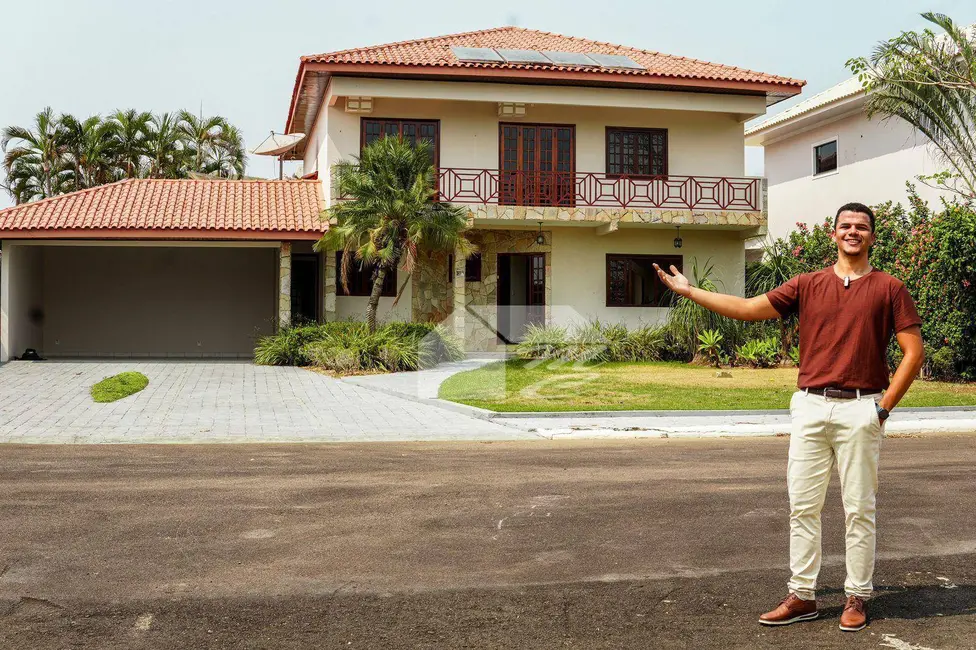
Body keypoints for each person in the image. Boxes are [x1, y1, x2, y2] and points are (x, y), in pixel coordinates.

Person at [654, 202, 924, 633]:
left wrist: (883, 407)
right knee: (803, 506)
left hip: (861, 407)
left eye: (861, 227)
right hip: (810, 406)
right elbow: (746, 308)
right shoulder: (807, 284)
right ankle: (803, 596)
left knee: (859, 508)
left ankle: (857, 596)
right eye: (845, 226)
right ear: (833, 235)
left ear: (872, 237)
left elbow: (914, 353)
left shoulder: (890, 288)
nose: (852, 232)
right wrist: (689, 292)